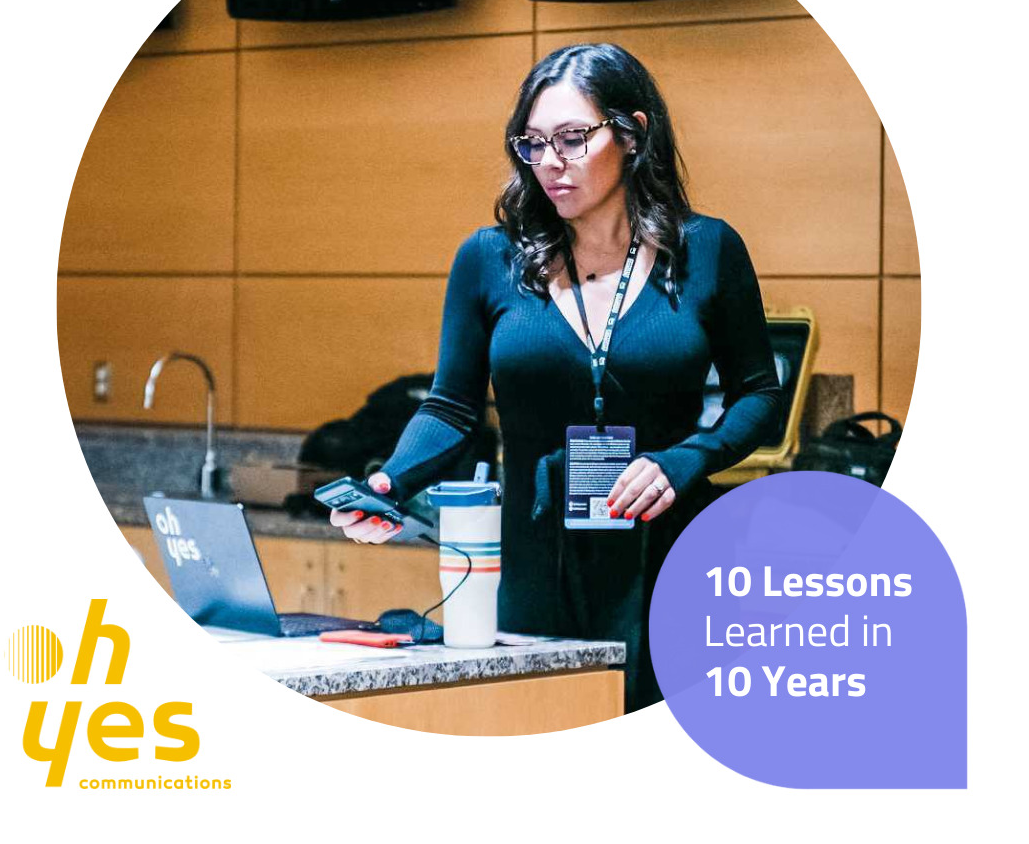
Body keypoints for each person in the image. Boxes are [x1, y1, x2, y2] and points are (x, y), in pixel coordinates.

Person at [331, 43, 783, 711]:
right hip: (534, 560)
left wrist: (685, 459)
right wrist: (390, 481)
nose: (550, 162)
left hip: (668, 556)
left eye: (573, 139)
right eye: (533, 142)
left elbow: (759, 397)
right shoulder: (490, 259)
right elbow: (452, 407)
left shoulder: (708, 249)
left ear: (633, 135)